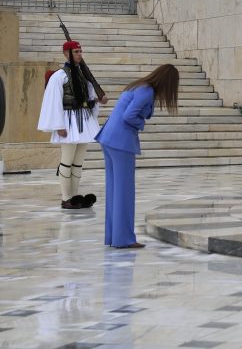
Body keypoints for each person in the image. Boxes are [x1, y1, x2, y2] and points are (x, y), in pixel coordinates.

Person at [96, 64, 179, 248]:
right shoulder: (147, 91)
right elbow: (129, 116)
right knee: (124, 192)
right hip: (121, 142)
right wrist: (141, 123)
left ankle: (113, 237)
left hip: (109, 138)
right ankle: (124, 239)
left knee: (114, 191)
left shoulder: (139, 86)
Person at [38, 40, 107, 209]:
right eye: (76, 51)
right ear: (66, 54)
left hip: (83, 119)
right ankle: (66, 197)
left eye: (80, 51)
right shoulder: (59, 76)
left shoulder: (83, 74)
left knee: (78, 161)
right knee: (67, 160)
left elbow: (87, 96)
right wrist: (58, 125)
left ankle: (75, 197)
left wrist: (98, 99)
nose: (79, 54)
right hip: (68, 122)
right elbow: (54, 102)